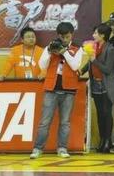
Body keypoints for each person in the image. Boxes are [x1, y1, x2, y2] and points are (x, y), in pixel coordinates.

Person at [30, 22, 84, 159]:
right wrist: (49, 52)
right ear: (58, 35)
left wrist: (64, 52)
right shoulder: (51, 46)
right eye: (62, 37)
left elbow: (75, 66)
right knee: (45, 121)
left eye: (67, 37)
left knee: (65, 122)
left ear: (72, 34)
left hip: (69, 88)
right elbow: (42, 65)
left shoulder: (77, 48)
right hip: (51, 88)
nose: (64, 39)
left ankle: (62, 148)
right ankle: (37, 148)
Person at [83, 24, 114, 153]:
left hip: (107, 84)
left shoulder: (110, 49)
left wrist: (94, 60)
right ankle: (102, 140)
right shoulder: (93, 47)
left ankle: (108, 140)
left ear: (103, 35)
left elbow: (107, 69)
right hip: (95, 84)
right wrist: (81, 71)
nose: (93, 36)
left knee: (107, 113)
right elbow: (89, 63)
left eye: (96, 33)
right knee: (99, 113)